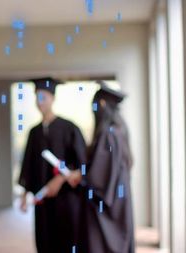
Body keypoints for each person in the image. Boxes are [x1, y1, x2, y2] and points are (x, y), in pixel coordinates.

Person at [18, 77, 87, 253]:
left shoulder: (70, 128)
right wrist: (24, 195)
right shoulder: (34, 132)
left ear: (52, 98)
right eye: (37, 97)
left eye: (43, 97)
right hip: (43, 200)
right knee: (44, 241)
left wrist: (60, 179)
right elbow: (28, 164)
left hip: (66, 198)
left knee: (66, 240)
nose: (39, 102)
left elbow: (82, 164)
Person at [84, 81, 134, 253]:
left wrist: (82, 176)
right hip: (119, 194)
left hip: (108, 197)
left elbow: (99, 174)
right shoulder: (120, 128)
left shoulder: (108, 134)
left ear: (103, 104)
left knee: (102, 243)